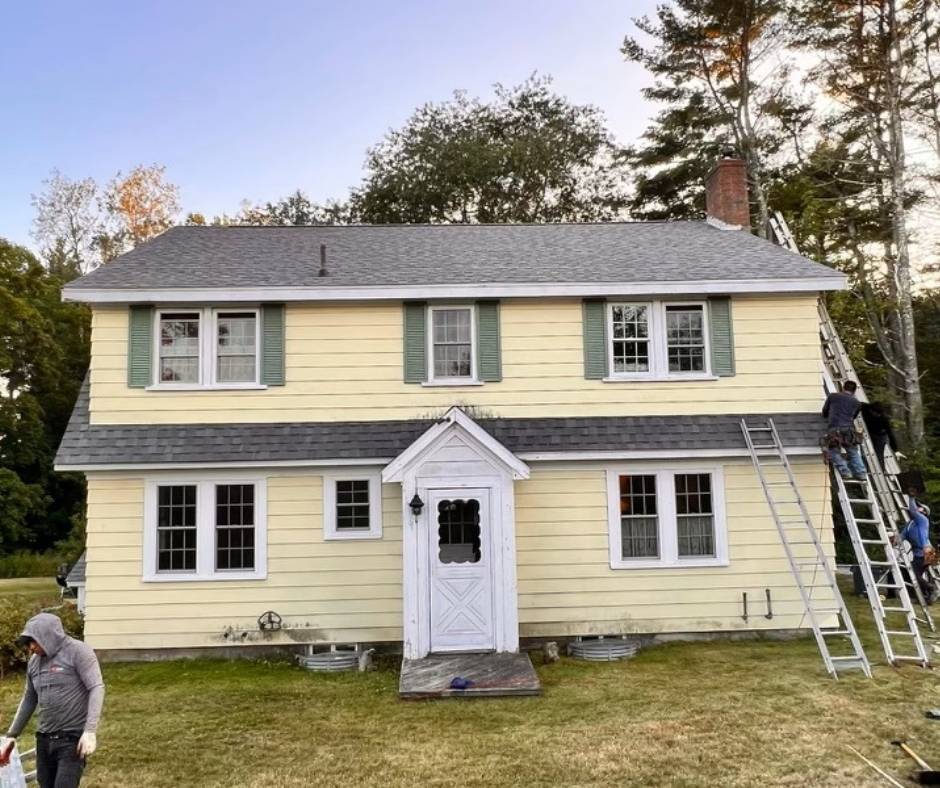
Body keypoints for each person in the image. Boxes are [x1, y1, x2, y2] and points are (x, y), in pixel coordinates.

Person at [0, 613, 104, 787]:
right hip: (44, 740)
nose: (31, 647)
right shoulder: (34, 662)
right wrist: (11, 736)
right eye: (28, 643)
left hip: (71, 740)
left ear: (49, 636)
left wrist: (90, 731)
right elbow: (29, 698)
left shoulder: (78, 651)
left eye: (34, 641)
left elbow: (96, 687)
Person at [896, 488, 937, 603]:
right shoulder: (910, 524)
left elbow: (913, 511)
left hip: (928, 552)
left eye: (920, 507)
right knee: (916, 574)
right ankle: (927, 595)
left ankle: (931, 589)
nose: (917, 508)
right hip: (922, 553)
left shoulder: (923, 520)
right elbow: (902, 535)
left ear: (924, 512)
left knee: (914, 573)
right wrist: (895, 540)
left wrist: (911, 497)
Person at [822, 380, 866, 480]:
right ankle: (861, 473)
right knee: (853, 452)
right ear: (854, 391)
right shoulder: (857, 403)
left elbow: (825, 412)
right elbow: (853, 416)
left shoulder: (833, 397)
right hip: (849, 430)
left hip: (834, 429)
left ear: (843, 387)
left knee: (833, 450)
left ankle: (845, 471)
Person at [860, 400, 901, 470]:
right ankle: (865, 468)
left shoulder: (884, 419)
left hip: (880, 435)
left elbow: (890, 434)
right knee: (864, 451)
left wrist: (896, 450)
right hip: (869, 432)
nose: (878, 415)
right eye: (877, 414)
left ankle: (881, 470)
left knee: (878, 454)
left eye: (879, 414)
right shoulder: (865, 408)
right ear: (871, 411)